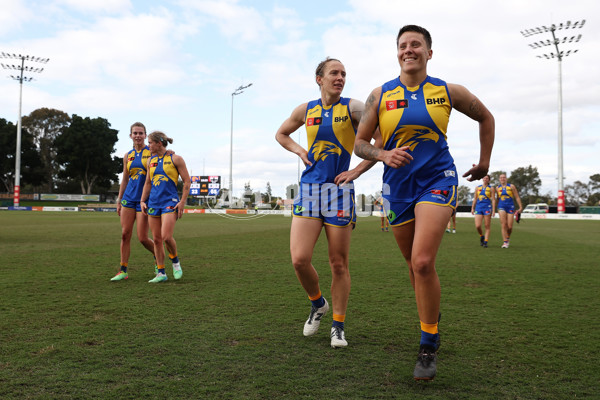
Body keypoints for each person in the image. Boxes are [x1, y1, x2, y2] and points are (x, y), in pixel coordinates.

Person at [353, 25, 495, 380]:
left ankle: (428, 344)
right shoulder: (380, 94)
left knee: (422, 261)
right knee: (413, 267)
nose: (409, 50)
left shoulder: (447, 91)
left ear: (429, 53)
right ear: (397, 53)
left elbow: (486, 117)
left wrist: (485, 162)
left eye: (416, 44)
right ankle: (432, 316)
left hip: (438, 180)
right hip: (397, 187)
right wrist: (383, 154)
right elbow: (359, 143)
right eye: (403, 45)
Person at [275, 57, 380, 349]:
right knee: (299, 259)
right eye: (334, 73)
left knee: (338, 263)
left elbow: (380, 142)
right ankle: (317, 303)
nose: (340, 77)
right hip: (309, 189)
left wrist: (357, 170)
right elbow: (281, 134)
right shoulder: (305, 110)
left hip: (339, 191)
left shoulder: (353, 107)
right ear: (319, 78)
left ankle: (338, 326)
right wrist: (299, 150)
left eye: (344, 74)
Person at [140, 131, 191, 283]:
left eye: (150, 143)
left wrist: (182, 201)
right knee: (156, 240)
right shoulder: (150, 161)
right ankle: (161, 273)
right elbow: (148, 183)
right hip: (153, 203)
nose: (148, 145)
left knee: (166, 237)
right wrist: (143, 201)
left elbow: (187, 181)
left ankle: (175, 262)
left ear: (159, 143)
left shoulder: (176, 158)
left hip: (170, 201)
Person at [111, 122, 156, 281]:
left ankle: (159, 258)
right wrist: (119, 200)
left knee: (143, 238)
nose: (137, 136)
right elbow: (124, 179)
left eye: (140, 133)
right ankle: (123, 270)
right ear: (130, 135)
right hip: (128, 200)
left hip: (143, 201)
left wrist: (170, 151)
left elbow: (165, 156)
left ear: (145, 135)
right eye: (135, 133)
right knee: (124, 234)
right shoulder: (127, 155)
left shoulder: (151, 152)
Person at [496, 173, 522, 248]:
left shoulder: (511, 186)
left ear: (506, 178)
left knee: (510, 227)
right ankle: (505, 242)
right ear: (499, 179)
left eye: (504, 177)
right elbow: (497, 198)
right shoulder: (497, 188)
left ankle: (507, 238)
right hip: (501, 207)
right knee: (503, 224)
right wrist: (496, 207)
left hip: (510, 207)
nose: (502, 179)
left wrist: (520, 207)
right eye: (501, 178)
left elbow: (517, 197)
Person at [470, 174, 495, 247]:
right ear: (482, 179)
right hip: (478, 207)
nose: (485, 179)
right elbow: (475, 199)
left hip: (487, 208)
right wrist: (472, 208)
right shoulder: (477, 187)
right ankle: (482, 236)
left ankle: (485, 242)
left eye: (487, 178)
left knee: (487, 226)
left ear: (489, 180)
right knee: (478, 226)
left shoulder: (491, 188)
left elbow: (493, 200)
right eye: (484, 178)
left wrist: (493, 210)